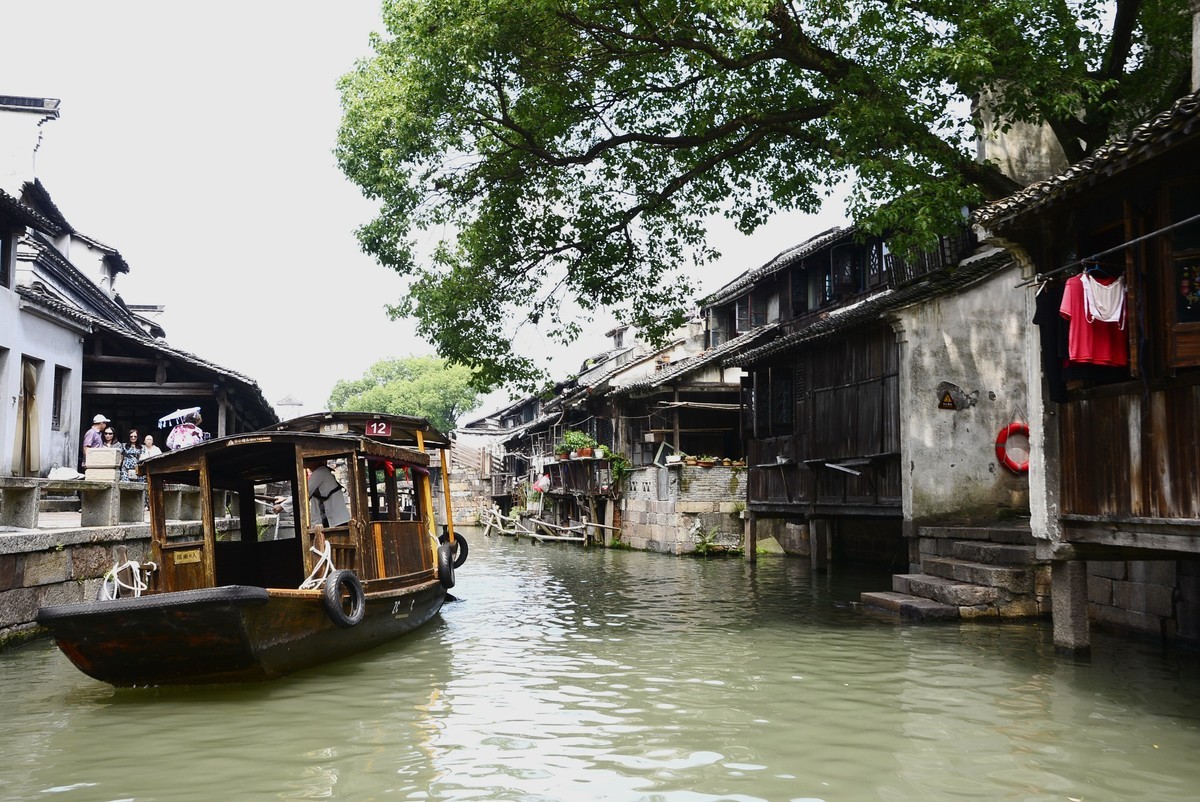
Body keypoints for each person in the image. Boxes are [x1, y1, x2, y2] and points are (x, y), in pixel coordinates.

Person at [307, 462, 350, 528]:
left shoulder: (320, 472)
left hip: (336, 519)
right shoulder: (324, 471)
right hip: (337, 518)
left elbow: (305, 492)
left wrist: (285, 504)